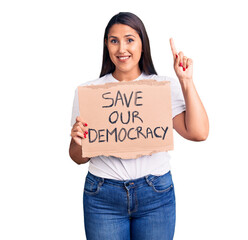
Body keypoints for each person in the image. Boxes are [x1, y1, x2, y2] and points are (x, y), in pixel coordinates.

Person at [69, 12, 209, 240]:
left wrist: (186, 81)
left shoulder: (162, 87)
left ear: (142, 44)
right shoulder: (89, 92)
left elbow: (199, 132)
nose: (121, 48)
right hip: (103, 196)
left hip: (155, 195)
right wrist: (77, 142)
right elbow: (77, 157)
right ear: (107, 45)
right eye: (114, 41)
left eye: (129, 39)